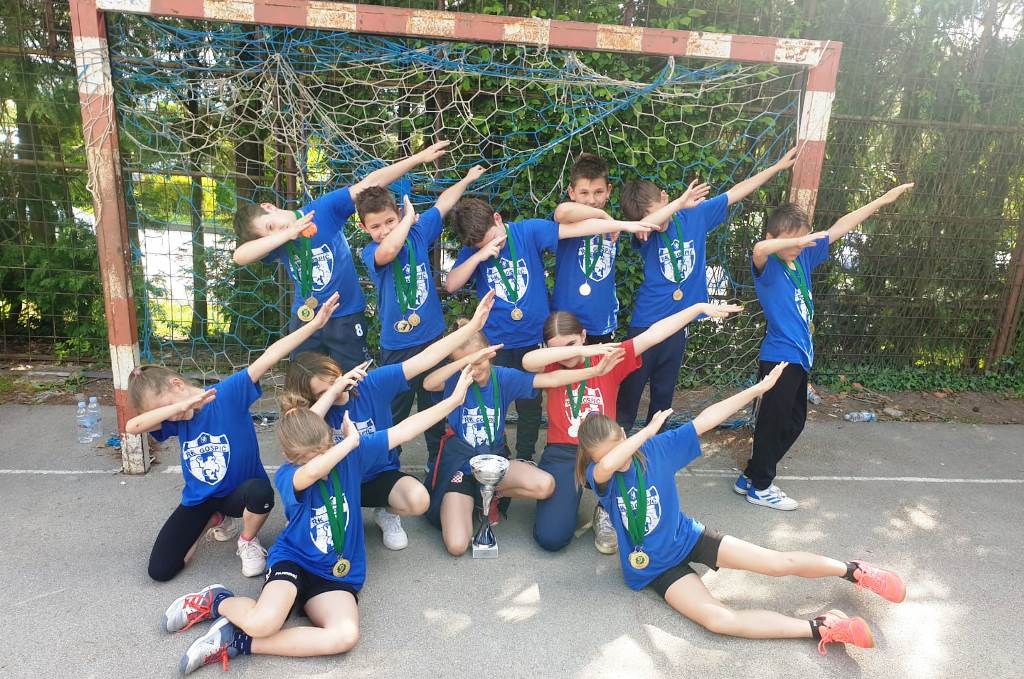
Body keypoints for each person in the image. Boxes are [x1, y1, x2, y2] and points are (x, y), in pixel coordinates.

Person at [164, 368, 478, 675]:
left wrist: (453, 401)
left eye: (323, 452)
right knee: (264, 622)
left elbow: (406, 429)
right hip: (294, 559)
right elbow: (313, 471)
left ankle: (238, 641)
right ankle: (216, 601)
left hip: (336, 572)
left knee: (344, 636)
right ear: (289, 458)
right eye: (306, 458)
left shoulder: (348, 456)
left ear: (330, 441)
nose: (319, 464)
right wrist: (348, 443)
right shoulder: (290, 475)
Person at [577, 364, 906, 654]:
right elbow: (607, 465)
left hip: (687, 538)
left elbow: (707, 419)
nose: (618, 458)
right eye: (606, 455)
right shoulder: (599, 475)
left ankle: (853, 570)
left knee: (777, 564)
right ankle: (822, 627)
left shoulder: (657, 451)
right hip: (655, 568)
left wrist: (758, 389)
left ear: (624, 434)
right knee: (718, 620)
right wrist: (647, 431)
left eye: (621, 445)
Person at [126, 293, 343, 581]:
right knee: (161, 570)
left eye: (166, 407)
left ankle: (247, 540)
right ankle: (213, 519)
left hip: (239, 494)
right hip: (200, 499)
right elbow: (133, 427)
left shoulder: (227, 394)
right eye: (164, 413)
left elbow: (270, 356)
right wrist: (176, 408)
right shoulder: (176, 417)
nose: (171, 417)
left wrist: (314, 325)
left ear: (176, 384)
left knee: (260, 492)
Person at [737, 182, 915, 510]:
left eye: (802, 240)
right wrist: (794, 241)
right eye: (792, 241)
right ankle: (760, 486)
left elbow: (840, 227)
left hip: (799, 357)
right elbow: (760, 248)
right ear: (775, 236)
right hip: (779, 356)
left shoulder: (803, 257)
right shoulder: (769, 266)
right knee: (774, 423)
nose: (798, 246)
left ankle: (751, 474)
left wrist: (882, 199)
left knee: (794, 422)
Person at [445, 195, 656, 461]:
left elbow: (575, 228)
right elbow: (451, 284)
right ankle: (496, 451)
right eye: (482, 245)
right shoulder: (474, 250)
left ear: (497, 219)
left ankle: (525, 455)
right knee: (491, 400)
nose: (492, 246)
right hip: (496, 342)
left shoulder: (527, 231)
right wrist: (478, 256)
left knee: (530, 406)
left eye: (493, 239)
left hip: (532, 340)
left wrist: (620, 224)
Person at [282, 291, 498, 550]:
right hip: (334, 480)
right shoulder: (309, 413)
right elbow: (299, 430)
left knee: (418, 499)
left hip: (377, 475)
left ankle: (386, 512)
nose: (336, 391)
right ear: (310, 397)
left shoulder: (371, 384)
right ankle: (313, 517)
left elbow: (424, 359)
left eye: (334, 380)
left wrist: (472, 327)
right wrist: (331, 393)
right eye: (323, 391)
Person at [523, 302, 743, 554]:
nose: (567, 355)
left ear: (583, 335)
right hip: (564, 451)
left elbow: (654, 334)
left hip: (607, 448)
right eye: (558, 349)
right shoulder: (551, 367)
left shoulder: (608, 357)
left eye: (571, 344)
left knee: (637, 497)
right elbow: (528, 361)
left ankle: (605, 510)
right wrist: (577, 350)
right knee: (551, 538)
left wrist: (698, 309)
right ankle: (571, 501)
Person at [616, 147, 800, 432]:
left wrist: (776, 167)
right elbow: (649, 223)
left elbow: (735, 193)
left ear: (663, 197)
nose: (659, 222)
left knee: (663, 397)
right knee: (629, 397)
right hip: (646, 326)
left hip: (679, 325)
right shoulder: (645, 230)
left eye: (660, 212)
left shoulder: (695, 216)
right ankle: (614, 448)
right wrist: (677, 204)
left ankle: (657, 448)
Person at [231, 141, 450, 367]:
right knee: (304, 379)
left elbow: (370, 183)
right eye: (268, 235)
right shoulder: (278, 241)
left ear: (269, 207)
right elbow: (240, 256)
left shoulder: (322, 210)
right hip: (306, 318)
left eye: (270, 226)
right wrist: (285, 235)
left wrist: (418, 158)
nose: (275, 232)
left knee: (354, 379)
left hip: (345, 315)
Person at [421, 319, 626, 556]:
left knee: (546, 485)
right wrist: (464, 363)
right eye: (466, 364)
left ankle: (487, 495)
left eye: (479, 361)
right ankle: (470, 497)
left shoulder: (503, 377)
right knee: (457, 546)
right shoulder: (456, 379)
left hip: (493, 463)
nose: (474, 370)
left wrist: (594, 371)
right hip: (461, 465)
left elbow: (550, 379)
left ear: (490, 353)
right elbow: (428, 383)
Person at [355, 164, 487, 463]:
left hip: (432, 340)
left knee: (436, 410)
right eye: (376, 226)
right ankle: (387, 468)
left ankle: (437, 467)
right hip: (397, 347)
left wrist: (467, 179)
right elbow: (388, 250)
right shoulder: (371, 252)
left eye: (390, 221)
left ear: (398, 214)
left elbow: (444, 203)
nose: (384, 230)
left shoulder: (417, 233)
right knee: (393, 414)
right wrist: (405, 221)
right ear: (364, 229)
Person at [550, 153, 620, 344]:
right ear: (571, 193)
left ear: (609, 190)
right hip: (566, 324)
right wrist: (602, 215)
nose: (591, 200)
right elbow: (561, 212)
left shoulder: (612, 228)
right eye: (584, 193)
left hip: (602, 322)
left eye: (598, 192)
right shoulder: (569, 221)